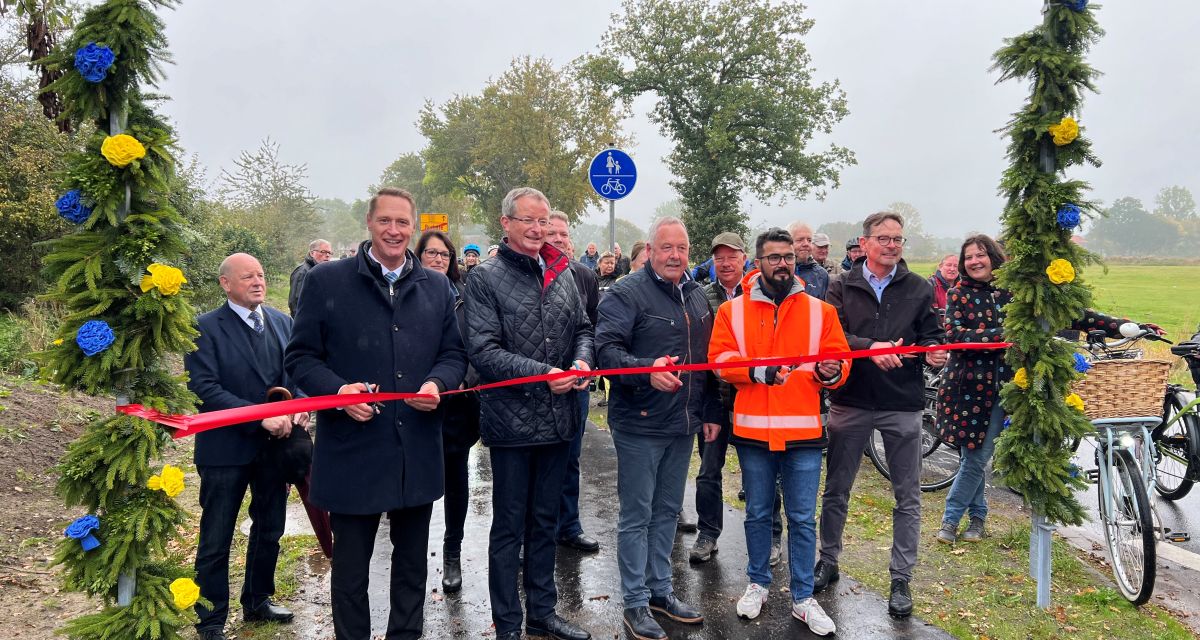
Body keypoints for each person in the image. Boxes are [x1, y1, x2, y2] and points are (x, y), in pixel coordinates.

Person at [284, 187, 468, 640]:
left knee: (410, 568)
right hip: (352, 449)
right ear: (369, 223)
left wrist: (438, 385)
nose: (394, 230)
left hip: (416, 448)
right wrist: (338, 391)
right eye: (385, 220)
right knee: (350, 572)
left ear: (414, 227)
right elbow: (301, 358)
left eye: (402, 222)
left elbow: (453, 354)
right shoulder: (327, 282)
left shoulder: (437, 285)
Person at [935, 235, 1160, 544]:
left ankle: (949, 521)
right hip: (965, 388)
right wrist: (1012, 333)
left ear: (994, 257)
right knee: (970, 457)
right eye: (969, 257)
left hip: (1005, 387)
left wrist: (1121, 326)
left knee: (978, 456)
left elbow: (1074, 314)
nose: (974, 261)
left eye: (981, 255)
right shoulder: (957, 294)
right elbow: (956, 336)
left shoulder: (1016, 292)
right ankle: (976, 519)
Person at [464, 187, 594, 640]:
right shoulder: (484, 278)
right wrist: (543, 374)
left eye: (544, 221)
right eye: (528, 221)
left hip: (559, 420)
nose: (538, 229)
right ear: (506, 223)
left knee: (545, 523)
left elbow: (583, 328)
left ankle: (543, 610)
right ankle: (507, 624)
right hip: (511, 425)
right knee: (508, 528)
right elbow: (483, 351)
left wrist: (580, 362)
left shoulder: (560, 272)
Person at [710, 228, 850, 635]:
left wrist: (833, 371)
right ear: (758, 263)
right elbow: (719, 361)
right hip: (754, 432)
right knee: (757, 513)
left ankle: (804, 598)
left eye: (788, 256)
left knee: (803, 518)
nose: (783, 263)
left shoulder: (820, 311)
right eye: (774, 257)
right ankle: (758, 583)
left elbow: (840, 360)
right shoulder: (730, 312)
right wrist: (758, 370)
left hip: (804, 433)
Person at [595, 216, 722, 640]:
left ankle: (660, 592)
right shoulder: (626, 293)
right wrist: (644, 370)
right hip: (640, 424)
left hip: (682, 424)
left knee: (667, 511)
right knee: (637, 515)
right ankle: (634, 602)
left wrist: (708, 412)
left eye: (682, 248)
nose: (675, 255)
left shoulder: (696, 296)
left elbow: (703, 363)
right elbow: (606, 353)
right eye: (666, 247)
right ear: (650, 250)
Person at [815, 211, 947, 619]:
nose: (892, 245)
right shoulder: (841, 286)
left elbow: (933, 338)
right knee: (837, 489)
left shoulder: (919, 288)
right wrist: (871, 347)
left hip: (901, 404)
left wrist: (936, 356)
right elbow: (830, 336)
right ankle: (829, 559)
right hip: (851, 401)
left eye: (899, 239)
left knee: (907, 496)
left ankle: (901, 577)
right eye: (885, 238)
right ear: (865, 243)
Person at [186, 253, 307, 640]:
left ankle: (257, 600)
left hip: (275, 448)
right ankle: (210, 620)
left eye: (260, 275)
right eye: (247, 277)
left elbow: (296, 372)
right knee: (216, 537)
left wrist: (301, 407)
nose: (258, 282)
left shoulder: (282, 321)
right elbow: (204, 389)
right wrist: (259, 415)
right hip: (225, 450)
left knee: (270, 527)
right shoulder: (203, 328)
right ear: (225, 284)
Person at [415, 230, 480, 593]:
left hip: (457, 408)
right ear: (419, 256)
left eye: (444, 254)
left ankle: (452, 552)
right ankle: (413, 557)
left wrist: (457, 382)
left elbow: (475, 345)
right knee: (419, 488)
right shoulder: (406, 294)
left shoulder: (465, 297)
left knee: (457, 483)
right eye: (431, 253)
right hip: (415, 409)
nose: (438, 259)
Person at [689, 232, 760, 563]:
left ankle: (769, 534)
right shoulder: (701, 297)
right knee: (708, 472)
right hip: (715, 400)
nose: (726, 263)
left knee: (760, 474)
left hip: (754, 399)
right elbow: (700, 357)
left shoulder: (760, 296)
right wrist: (708, 409)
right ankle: (708, 532)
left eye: (732, 256)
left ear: (744, 258)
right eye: (719, 258)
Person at [545, 210, 602, 554]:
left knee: (571, 456)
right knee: (534, 463)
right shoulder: (526, 275)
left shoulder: (584, 276)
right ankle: (533, 532)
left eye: (564, 235)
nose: (558, 240)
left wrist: (585, 364)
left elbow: (593, 327)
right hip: (534, 383)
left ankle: (569, 525)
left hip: (575, 384)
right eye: (552, 233)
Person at [288, 239, 333, 316]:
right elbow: (295, 303)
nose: (327, 255)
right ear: (312, 253)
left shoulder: (322, 271)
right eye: (323, 252)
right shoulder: (302, 272)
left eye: (329, 252)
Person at [788, 222, 830, 300]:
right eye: (800, 240)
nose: (806, 244)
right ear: (788, 243)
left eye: (809, 240)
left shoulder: (822, 275)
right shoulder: (779, 271)